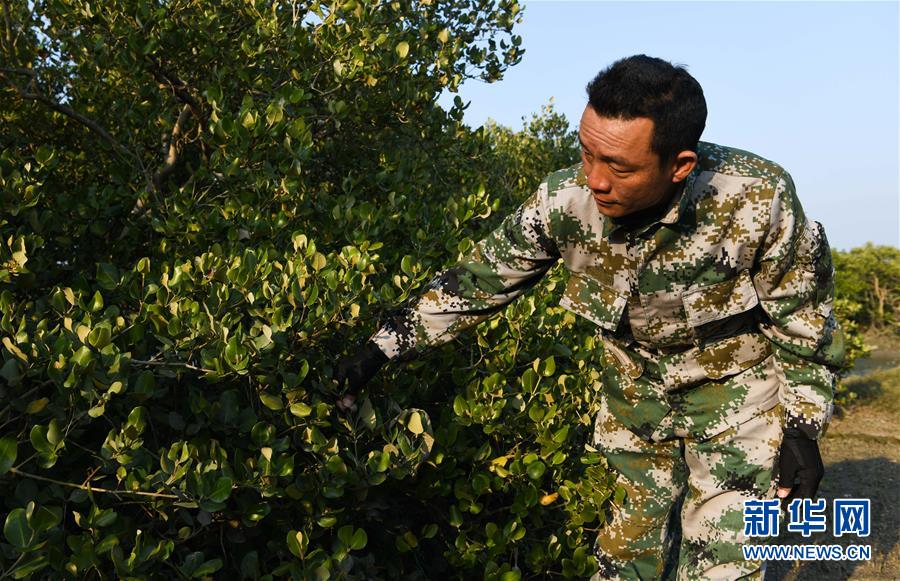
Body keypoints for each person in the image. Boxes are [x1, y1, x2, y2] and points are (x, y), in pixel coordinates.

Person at [334, 55, 844, 580]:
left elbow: (803, 316)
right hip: (636, 405)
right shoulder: (563, 202)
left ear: (680, 165)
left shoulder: (756, 198)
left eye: (619, 168)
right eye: (586, 153)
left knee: (724, 566)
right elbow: (480, 280)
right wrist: (379, 350)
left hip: (739, 404)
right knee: (624, 563)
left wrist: (803, 428)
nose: (595, 180)